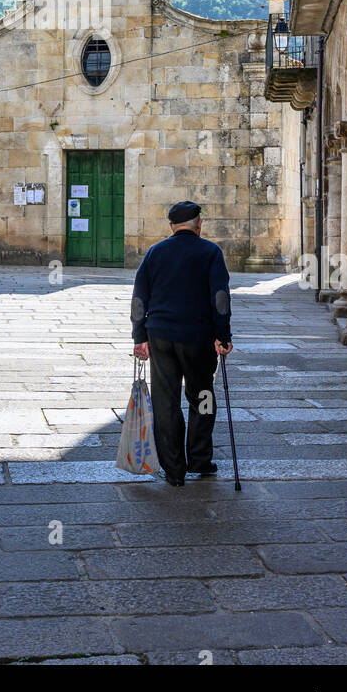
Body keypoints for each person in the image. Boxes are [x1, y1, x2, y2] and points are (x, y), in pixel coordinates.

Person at [131, 201, 233, 487]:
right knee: (202, 397)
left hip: (161, 336)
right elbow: (220, 298)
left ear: (171, 226)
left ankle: (174, 470)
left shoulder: (155, 253)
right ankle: (199, 459)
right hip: (198, 338)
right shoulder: (211, 252)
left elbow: (139, 299)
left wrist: (139, 336)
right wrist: (223, 336)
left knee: (166, 401)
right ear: (199, 224)